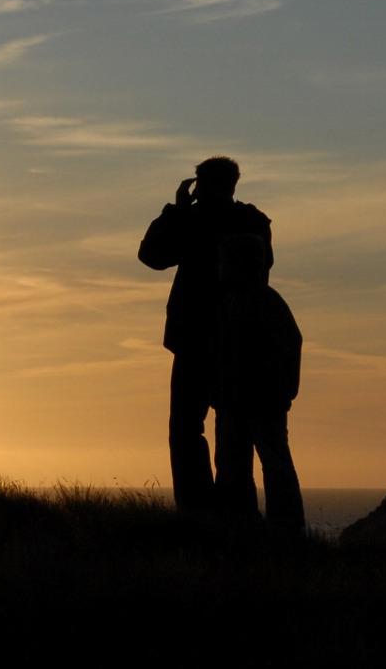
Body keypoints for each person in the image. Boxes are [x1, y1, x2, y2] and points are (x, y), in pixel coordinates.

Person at [137, 156, 272, 513]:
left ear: (200, 185)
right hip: (237, 339)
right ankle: (236, 511)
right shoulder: (254, 221)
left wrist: (175, 211)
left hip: (197, 338)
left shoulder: (194, 220)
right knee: (233, 430)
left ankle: (197, 511)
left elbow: (151, 255)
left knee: (187, 429)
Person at [211, 234, 304, 531]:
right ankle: (242, 525)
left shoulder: (263, 302)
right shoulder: (230, 303)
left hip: (261, 401)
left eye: (224, 261)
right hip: (235, 402)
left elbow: (290, 345)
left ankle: (284, 529)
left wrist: (284, 391)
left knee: (272, 464)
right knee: (232, 466)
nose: (220, 268)